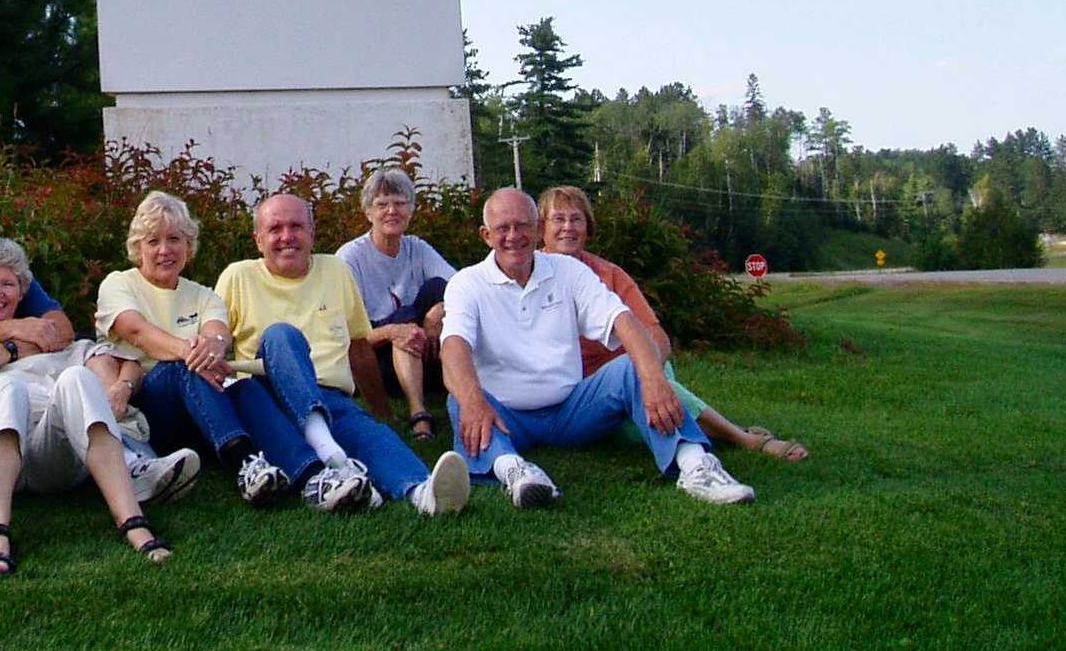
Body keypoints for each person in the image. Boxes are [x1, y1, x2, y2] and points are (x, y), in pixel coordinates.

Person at [0, 181, 193, 513]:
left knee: (81, 367)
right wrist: (6, 330)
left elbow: (62, 330)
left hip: (34, 398)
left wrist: (6, 350)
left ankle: (132, 460)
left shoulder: (5, 266)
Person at [439, 188, 756, 508]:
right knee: (462, 398)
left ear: (537, 229)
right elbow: (453, 347)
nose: (514, 236)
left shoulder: (569, 271)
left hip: (571, 410)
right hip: (506, 417)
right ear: (485, 235)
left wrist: (654, 379)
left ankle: (695, 465)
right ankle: (516, 473)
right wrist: (473, 401)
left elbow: (622, 320)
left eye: (523, 226)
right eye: (503, 228)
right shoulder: (467, 283)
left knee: (634, 367)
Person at [215, 193, 470, 517]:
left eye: (296, 227)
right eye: (275, 229)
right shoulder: (238, 277)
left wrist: (381, 413)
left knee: (370, 434)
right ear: (258, 240)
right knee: (282, 335)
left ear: (312, 233)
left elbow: (358, 346)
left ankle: (423, 491)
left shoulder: (335, 270)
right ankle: (332, 456)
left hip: (330, 397)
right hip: (268, 400)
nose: (287, 236)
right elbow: (215, 341)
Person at [0, 238, 173, 575]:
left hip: (50, 453)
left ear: (21, 292)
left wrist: (121, 388)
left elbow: (123, 362)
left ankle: (132, 520)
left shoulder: (48, 339)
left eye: (8, 285)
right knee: (8, 388)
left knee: (77, 377)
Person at [538, 185, 808, 461]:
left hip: (636, 367)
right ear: (541, 228)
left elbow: (656, 336)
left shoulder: (610, 274)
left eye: (576, 219)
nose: (568, 227)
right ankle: (726, 431)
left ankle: (743, 439)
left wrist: (648, 377)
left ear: (588, 228)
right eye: (558, 219)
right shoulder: (531, 276)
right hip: (585, 391)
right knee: (636, 431)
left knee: (646, 385)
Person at [95, 191, 314, 506]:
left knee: (247, 388)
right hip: (146, 411)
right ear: (138, 248)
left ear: (188, 245)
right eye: (153, 241)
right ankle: (245, 463)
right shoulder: (119, 284)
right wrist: (192, 351)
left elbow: (218, 335)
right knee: (182, 366)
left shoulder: (204, 296)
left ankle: (309, 472)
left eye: (174, 239)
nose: (165, 250)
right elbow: (137, 332)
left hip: (201, 408)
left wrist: (212, 346)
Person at [336, 167, 456, 441]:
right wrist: (393, 332)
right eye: (382, 205)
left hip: (418, 346)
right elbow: (345, 336)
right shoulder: (350, 257)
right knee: (404, 318)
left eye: (400, 203)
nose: (392, 211)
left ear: (411, 211)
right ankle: (418, 412)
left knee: (439, 289)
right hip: (372, 357)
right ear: (368, 212)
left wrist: (439, 312)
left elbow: (462, 287)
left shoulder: (417, 247)